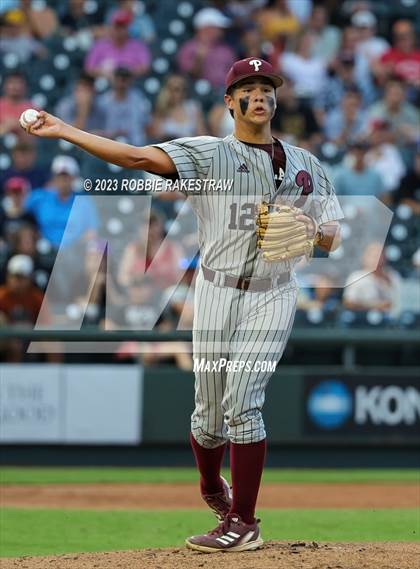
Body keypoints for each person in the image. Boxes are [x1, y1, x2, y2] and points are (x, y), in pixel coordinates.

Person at [22, 56, 343, 553]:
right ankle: (213, 487)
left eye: (267, 87)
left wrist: (316, 231)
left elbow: (335, 237)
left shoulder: (307, 164)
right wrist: (66, 130)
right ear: (229, 101)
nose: (259, 95)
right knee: (207, 414)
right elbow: (135, 159)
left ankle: (243, 520)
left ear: (277, 99)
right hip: (214, 291)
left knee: (243, 401)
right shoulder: (210, 155)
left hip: (273, 293)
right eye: (248, 88)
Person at [24, 155, 98, 248]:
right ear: (53, 177)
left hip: (74, 251)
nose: (63, 180)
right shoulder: (40, 197)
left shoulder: (84, 202)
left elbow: (92, 231)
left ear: (74, 178)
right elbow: (19, 211)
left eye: (66, 176)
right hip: (44, 249)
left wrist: (79, 246)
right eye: (59, 176)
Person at [177, 7, 235, 90]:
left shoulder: (226, 50)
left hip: (223, 94)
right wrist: (199, 59)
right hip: (195, 93)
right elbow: (189, 76)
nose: (221, 31)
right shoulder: (189, 48)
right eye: (218, 28)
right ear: (207, 28)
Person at [84, 9, 151, 79]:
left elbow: (145, 67)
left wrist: (126, 72)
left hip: (130, 84)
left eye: (123, 26)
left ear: (128, 28)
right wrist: (104, 72)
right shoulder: (100, 45)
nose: (120, 30)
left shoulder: (138, 46)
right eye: (117, 26)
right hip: (104, 83)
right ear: (111, 27)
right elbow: (89, 69)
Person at [343, 242, 401, 318]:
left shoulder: (393, 276)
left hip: (391, 320)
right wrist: (375, 305)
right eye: (373, 256)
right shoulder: (356, 277)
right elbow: (348, 302)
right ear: (364, 258)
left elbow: (400, 300)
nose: (377, 259)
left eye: (380, 255)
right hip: (363, 320)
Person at [97, 67, 151, 146]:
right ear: (114, 79)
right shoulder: (102, 101)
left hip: (135, 146)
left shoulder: (139, 99)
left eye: (125, 78)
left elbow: (147, 125)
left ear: (130, 80)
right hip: (109, 145)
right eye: (119, 77)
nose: (122, 80)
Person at [150, 75, 206, 142]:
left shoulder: (193, 107)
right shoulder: (160, 110)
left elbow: (202, 135)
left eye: (182, 89)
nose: (173, 93)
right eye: (171, 89)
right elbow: (156, 136)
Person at [0, 71, 34, 137]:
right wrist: (6, 126)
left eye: (19, 83)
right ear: (4, 85)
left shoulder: (33, 109)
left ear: (25, 86)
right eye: (11, 82)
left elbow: (37, 138)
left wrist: (18, 126)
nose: (15, 86)